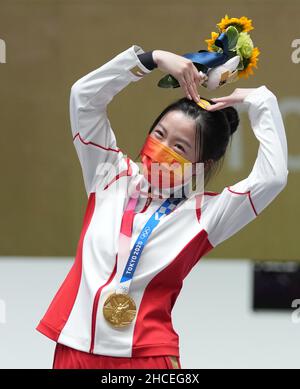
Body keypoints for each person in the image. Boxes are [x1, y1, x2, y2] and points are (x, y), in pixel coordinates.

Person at [36, 45, 288, 369]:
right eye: (159, 134)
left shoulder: (204, 215)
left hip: (147, 358)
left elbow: (272, 178)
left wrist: (260, 101)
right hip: (73, 347)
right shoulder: (110, 176)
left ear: (201, 164)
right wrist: (151, 60)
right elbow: (84, 98)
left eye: (179, 147)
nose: (163, 148)